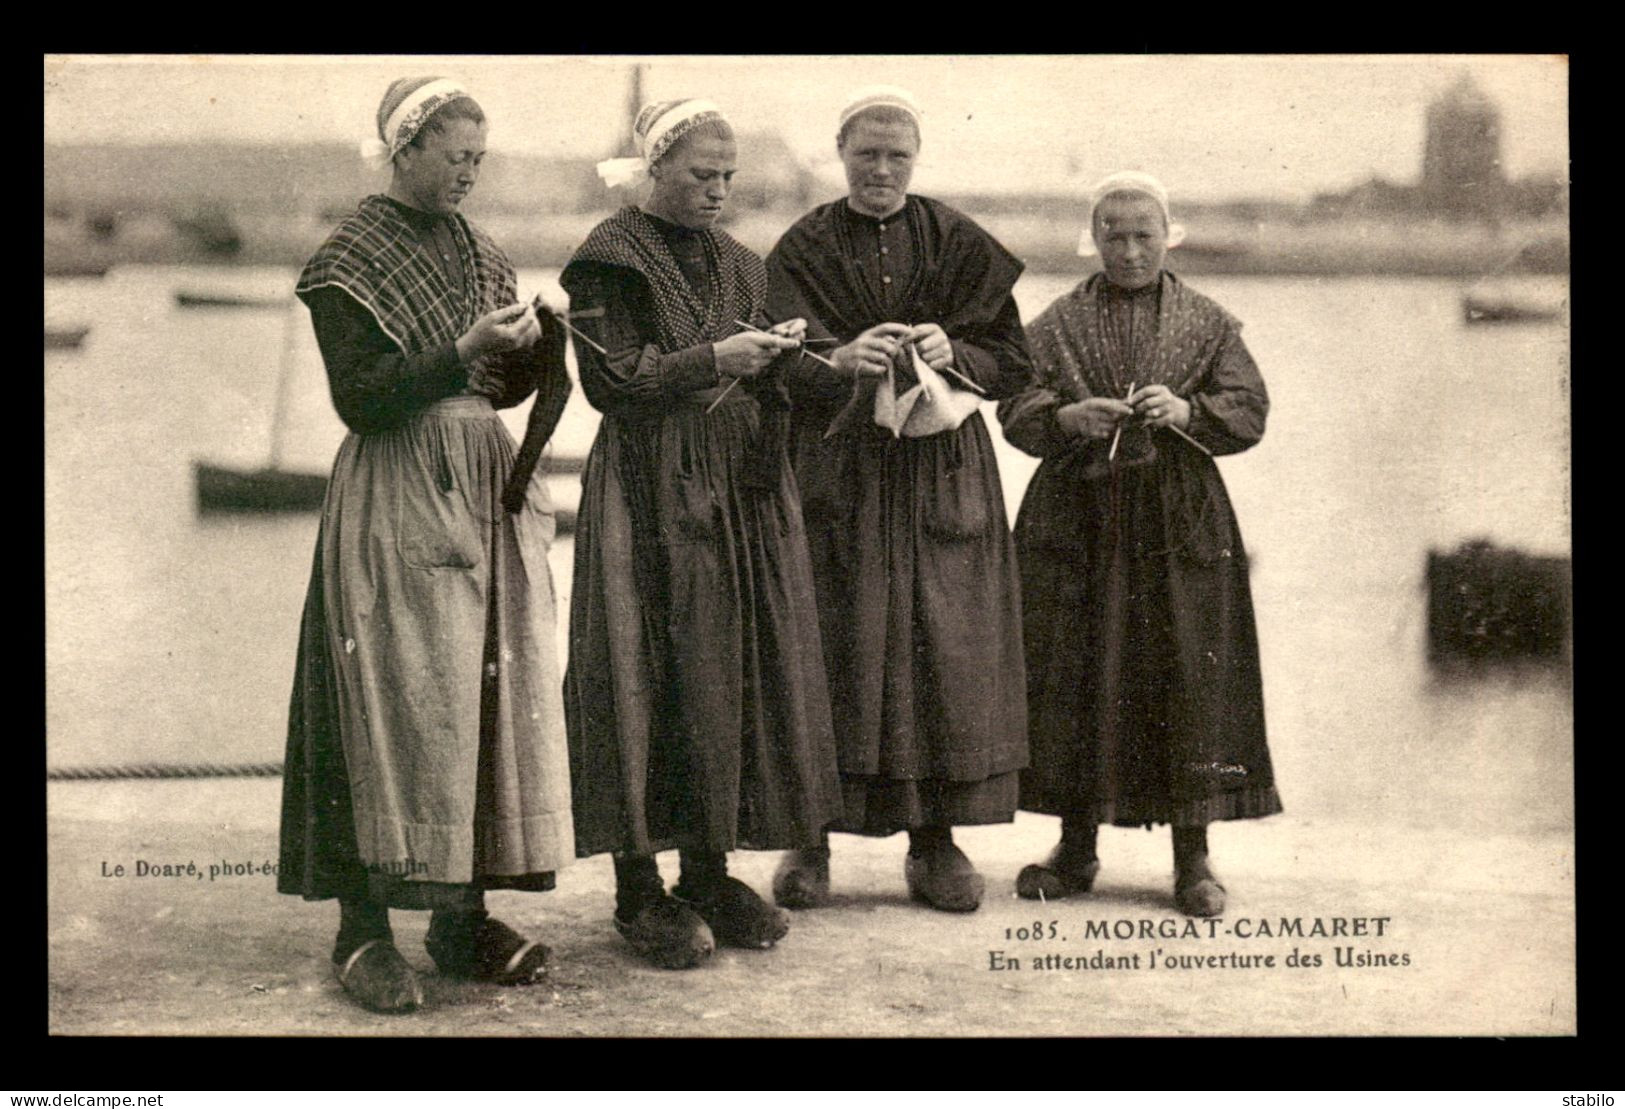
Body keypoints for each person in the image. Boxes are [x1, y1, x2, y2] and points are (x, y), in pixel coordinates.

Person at [277, 77, 575, 1012]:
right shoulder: (347, 259)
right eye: (455, 158)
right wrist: (457, 350)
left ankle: (458, 914)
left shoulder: (480, 251)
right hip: (397, 485)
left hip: (477, 482)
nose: (468, 176)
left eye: (479, 161)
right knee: (392, 693)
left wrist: (534, 349)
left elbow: (496, 388)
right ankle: (361, 930)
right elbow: (362, 399)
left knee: (478, 693)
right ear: (404, 151)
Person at [562, 99, 841, 969]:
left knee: (724, 667)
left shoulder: (744, 266)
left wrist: (797, 358)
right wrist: (713, 361)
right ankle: (638, 889)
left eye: (727, 176)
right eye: (699, 176)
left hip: (730, 488)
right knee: (642, 665)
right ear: (653, 172)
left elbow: (772, 383)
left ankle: (707, 868)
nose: (718, 190)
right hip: (646, 485)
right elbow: (610, 382)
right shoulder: (606, 262)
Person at [764, 87, 1032, 913]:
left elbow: (1012, 361)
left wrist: (956, 350)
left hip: (940, 470)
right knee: (831, 640)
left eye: (896, 156)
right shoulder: (801, 246)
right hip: (838, 466)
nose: (880, 169)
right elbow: (774, 361)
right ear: (838, 154)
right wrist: (837, 357)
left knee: (939, 647)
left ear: (915, 161)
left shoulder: (955, 238)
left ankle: (934, 840)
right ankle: (809, 839)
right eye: (865, 154)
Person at [997, 171, 1280, 918]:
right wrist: (1064, 419)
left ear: (1167, 235)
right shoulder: (1054, 324)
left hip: (1177, 520)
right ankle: (1075, 846)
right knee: (1075, 669)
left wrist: (1188, 407)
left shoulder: (1208, 322)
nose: (1127, 250)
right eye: (1112, 235)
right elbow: (1015, 408)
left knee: (1185, 672)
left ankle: (1192, 858)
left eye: (1142, 234)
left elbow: (1248, 412)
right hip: (1077, 519)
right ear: (1092, 238)